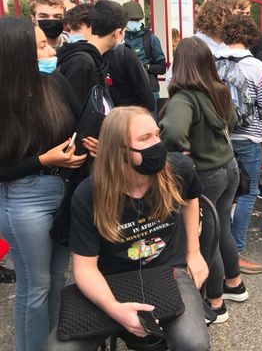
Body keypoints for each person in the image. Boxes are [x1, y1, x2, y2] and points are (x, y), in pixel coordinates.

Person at [45, 107, 210, 351]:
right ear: (118, 150)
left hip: (168, 270)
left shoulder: (178, 169)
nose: (158, 144)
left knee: (193, 343)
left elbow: (191, 197)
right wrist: (115, 309)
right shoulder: (89, 193)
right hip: (111, 279)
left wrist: (194, 252)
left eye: (157, 134)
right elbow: (85, 269)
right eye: (145, 139)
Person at [0, 17, 86, 351]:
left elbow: (81, 121)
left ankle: (52, 344)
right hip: (23, 200)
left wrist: (88, 142)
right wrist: (42, 161)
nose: (51, 50)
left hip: (63, 192)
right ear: (17, 53)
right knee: (34, 286)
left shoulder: (55, 82)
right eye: (41, 46)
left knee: (56, 280)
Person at [160, 37, 248, 323]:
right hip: (229, 167)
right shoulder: (219, 89)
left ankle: (215, 303)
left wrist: (184, 150)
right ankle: (234, 284)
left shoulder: (184, 98)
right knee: (221, 226)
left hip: (206, 175)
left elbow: (172, 133)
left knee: (207, 239)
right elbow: (233, 123)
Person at [216, 15, 262, 274]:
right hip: (249, 137)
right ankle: (237, 249)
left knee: (222, 195)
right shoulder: (255, 66)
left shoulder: (213, 62)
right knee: (247, 193)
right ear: (251, 37)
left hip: (221, 137)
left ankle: (218, 245)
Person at [57, 0, 128, 105]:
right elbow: (72, 110)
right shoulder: (82, 62)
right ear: (118, 33)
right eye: (123, 32)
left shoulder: (95, 58)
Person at [123, 1, 167, 116]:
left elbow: (162, 68)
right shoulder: (120, 39)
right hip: (128, 91)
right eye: (130, 21)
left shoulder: (151, 39)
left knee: (150, 124)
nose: (133, 23)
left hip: (149, 90)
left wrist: (146, 67)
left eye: (136, 21)